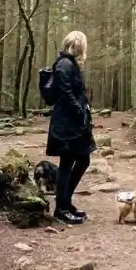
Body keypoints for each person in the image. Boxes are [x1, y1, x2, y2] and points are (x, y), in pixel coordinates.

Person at [46, 30, 94, 225]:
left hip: (75, 124)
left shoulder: (70, 63)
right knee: (67, 164)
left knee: (83, 160)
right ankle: (61, 208)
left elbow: (75, 92)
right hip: (66, 124)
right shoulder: (64, 64)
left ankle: (65, 201)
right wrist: (79, 111)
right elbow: (65, 93)